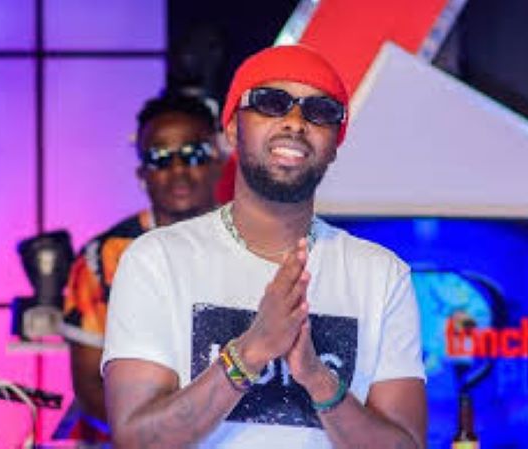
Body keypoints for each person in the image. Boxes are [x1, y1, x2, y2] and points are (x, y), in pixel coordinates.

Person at [102, 44, 426, 449]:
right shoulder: (157, 260)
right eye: (271, 103)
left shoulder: (381, 276)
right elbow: (137, 440)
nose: (295, 122)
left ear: (334, 145)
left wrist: (318, 379)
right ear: (232, 129)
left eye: (319, 111)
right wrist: (250, 352)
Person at [61, 92, 224, 440]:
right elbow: (90, 385)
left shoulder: (254, 241)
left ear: (218, 161)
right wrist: (160, 437)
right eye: (160, 159)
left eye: (193, 154)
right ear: (142, 173)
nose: (178, 171)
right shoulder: (102, 257)